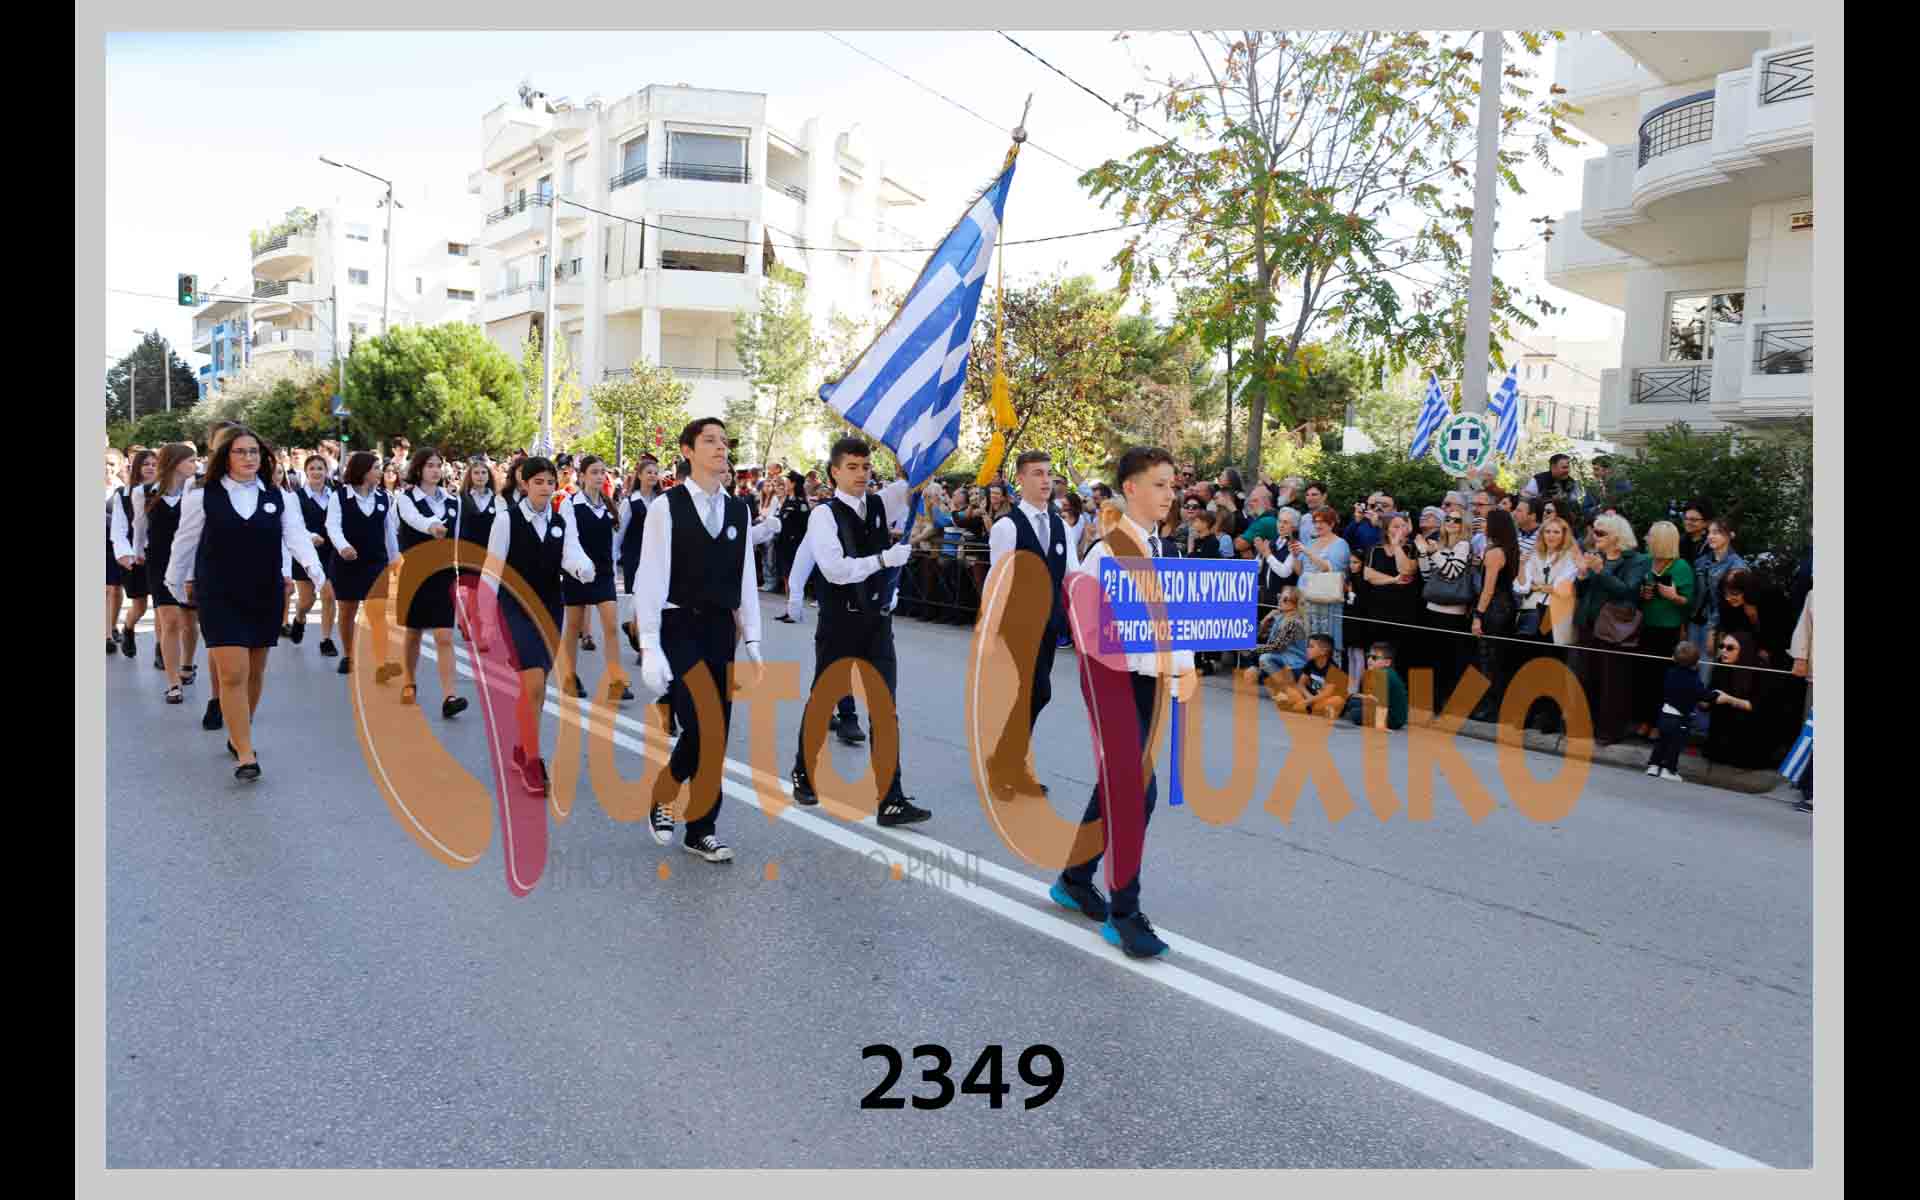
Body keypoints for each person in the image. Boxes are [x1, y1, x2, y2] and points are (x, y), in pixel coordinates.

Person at [1051, 445, 1197, 960]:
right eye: (1160, 484)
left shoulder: (1167, 549)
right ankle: (1124, 912)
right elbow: (1085, 625)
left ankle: (1074, 878)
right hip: (1110, 679)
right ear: (1131, 489)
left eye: (1173, 485)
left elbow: (1178, 617)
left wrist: (1182, 665)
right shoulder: (1107, 550)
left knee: (1118, 783)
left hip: (1149, 681)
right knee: (1136, 789)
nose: (1170, 494)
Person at [634, 419, 766, 861]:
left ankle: (701, 829)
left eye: (724, 441)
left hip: (719, 629)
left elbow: (746, 577)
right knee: (702, 721)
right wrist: (649, 644)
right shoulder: (666, 507)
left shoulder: (738, 510)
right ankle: (667, 793)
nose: (720, 448)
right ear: (687, 451)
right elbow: (650, 576)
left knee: (718, 731)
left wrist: (753, 639)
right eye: (709, 441)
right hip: (679, 625)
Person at [165, 426, 330, 780]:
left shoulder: (279, 497)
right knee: (233, 672)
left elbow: (296, 537)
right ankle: (245, 753)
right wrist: (174, 582)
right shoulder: (201, 496)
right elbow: (184, 543)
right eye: (240, 451)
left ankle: (240, 730)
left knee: (255, 672)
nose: (249, 457)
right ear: (225, 456)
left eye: (254, 451)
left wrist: (316, 572)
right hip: (219, 593)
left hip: (264, 592)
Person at [785, 437, 929, 826]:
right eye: (852, 467)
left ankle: (891, 798)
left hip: (877, 624)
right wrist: (884, 560)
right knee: (823, 700)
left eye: (866, 467)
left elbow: (917, 482)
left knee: (885, 710)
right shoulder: (824, 515)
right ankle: (803, 770)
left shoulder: (879, 503)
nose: (861, 474)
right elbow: (834, 570)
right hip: (840, 622)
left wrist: (925, 445)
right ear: (834, 472)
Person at [482, 456, 595, 798]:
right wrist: (485, 620)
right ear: (524, 484)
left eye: (550, 482)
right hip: (515, 607)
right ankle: (532, 760)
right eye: (539, 482)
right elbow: (491, 569)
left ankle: (521, 747)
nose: (546, 488)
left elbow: (571, 554)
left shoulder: (561, 520)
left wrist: (582, 568)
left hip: (549, 608)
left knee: (537, 687)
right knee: (531, 682)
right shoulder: (507, 520)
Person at [985, 449, 1078, 799]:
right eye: (1037, 473)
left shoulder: (1060, 525)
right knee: (1035, 691)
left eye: (1048, 473)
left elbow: (1073, 574)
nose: (1046, 480)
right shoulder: (1007, 527)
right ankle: (1003, 765)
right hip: (1016, 625)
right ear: (1021, 479)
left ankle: (1012, 762)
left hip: (1049, 624)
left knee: (1031, 694)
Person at [392, 447, 469, 719]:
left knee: (444, 636)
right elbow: (414, 520)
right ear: (419, 469)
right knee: (413, 632)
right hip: (415, 571)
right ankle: (409, 682)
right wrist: (432, 526)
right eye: (430, 465)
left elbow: (457, 538)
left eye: (438, 465)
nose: (435, 470)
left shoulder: (454, 501)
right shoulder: (405, 498)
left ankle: (450, 696)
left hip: (444, 573)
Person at [554, 455, 631, 704]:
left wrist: (614, 567)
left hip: (604, 575)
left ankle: (616, 681)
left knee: (611, 626)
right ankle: (569, 677)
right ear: (582, 476)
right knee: (573, 627)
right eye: (594, 472)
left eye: (602, 472)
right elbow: (567, 541)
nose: (599, 476)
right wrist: (573, 567)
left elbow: (614, 543)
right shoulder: (570, 504)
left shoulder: (609, 505)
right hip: (577, 574)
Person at [1571, 512, 1649, 745]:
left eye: (1600, 532)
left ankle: (1610, 731)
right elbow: (1581, 592)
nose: (1595, 536)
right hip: (1588, 626)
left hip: (1614, 629)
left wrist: (1600, 571)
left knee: (1612, 683)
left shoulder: (1636, 560)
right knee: (1587, 678)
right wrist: (1582, 576)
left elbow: (1628, 591)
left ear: (1617, 536)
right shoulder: (1597, 556)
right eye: (1594, 531)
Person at [325, 450, 402, 680]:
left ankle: (381, 663)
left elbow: (389, 530)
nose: (380, 472)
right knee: (347, 611)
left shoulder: (384, 497)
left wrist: (395, 558)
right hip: (347, 563)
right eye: (376, 468)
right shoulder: (339, 496)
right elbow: (332, 526)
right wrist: (343, 547)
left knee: (378, 613)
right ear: (363, 470)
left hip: (376, 563)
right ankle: (349, 655)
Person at [133, 443, 200, 703]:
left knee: (189, 620)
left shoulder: (197, 490)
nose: (195, 465)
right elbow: (139, 526)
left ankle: (187, 664)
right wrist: (137, 551)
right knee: (170, 620)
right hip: (159, 562)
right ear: (174, 462)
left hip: (190, 562)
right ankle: (173, 683)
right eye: (190, 460)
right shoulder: (143, 492)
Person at [1630, 521, 1696, 739]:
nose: (1646, 538)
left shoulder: (1681, 567)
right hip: (1646, 626)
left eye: (1650, 535)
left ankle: (1659, 724)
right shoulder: (1646, 561)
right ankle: (1645, 720)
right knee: (1644, 676)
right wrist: (1643, 594)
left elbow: (1689, 602)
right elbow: (1635, 592)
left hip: (1669, 630)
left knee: (1663, 679)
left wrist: (1674, 596)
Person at [1416, 509, 1475, 712]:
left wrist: (1434, 553)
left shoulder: (1463, 545)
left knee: (1448, 661)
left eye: (1456, 520)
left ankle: (1446, 704)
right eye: (1448, 518)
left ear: (1463, 524)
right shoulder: (1439, 545)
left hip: (1453, 613)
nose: (1450, 522)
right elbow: (1426, 575)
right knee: (1431, 659)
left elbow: (1451, 572)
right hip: (1432, 608)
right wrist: (1423, 552)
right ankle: (1430, 703)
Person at [1469, 508, 1522, 723]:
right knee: (1500, 659)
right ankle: (1498, 706)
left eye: (1486, 521)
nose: (1483, 524)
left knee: (1489, 659)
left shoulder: (1494, 552)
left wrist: (1477, 615)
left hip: (1494, 610)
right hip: (1508, 607)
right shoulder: (1511, 549)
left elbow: (1488, 589)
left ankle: (1491, 708)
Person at [111, 449, 161, 664]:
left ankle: (162, 651)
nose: (150, 467)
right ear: (136, 467)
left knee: (162, 608)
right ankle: (129, 628)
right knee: (139, 606)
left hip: (160, 556)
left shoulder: (166, 491)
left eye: (154, 464)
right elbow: (119, 528)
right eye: (145, 464)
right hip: (135, 557)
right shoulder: (123, 494)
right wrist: (126, 554)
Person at [450, 455, 500, 657]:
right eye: (476, 473)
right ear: (470, 476)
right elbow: (455, 526)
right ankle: (479, 636)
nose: (480, 476)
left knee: (488, 593)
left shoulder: (498, 499)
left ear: (489, 476)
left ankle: (463, 621)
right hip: (468, 551)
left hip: (492, 551)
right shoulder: (461, 498)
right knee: (474, 594)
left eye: (483, 472)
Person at [289, 454, 339, 655]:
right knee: (307, 601)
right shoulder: (296, 497)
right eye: (312, 468)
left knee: (329, 595)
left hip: (331, 553)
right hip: (305, 553)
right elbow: (294, 525)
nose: (316, 472)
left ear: (326, 472)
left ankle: (326, 640)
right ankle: (299, 618)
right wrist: (310, 536)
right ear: (306, 472)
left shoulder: (335, 495)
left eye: (320, 468)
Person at [1645, 642, 1715, 781]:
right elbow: (1703, 694)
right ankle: (1668, 770)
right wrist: (1715, 695)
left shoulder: (1670, 672)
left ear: (1674, 658)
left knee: (1661, 742)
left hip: (1665, 714)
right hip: (1680, 718)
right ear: (1696, 663)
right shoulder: (1693, 678)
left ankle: (1653, 766)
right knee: (1674, 745)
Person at [1701, 632, 1767, 768]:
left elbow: (1756, 706)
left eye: (1730, 648)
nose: (1724, 650)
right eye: (1722, 646)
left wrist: (1729, 699)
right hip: (1721, 733)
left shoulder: (1758, 671)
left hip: (1747, 734)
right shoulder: (1720, 667)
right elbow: (1709, 697)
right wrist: (1702, 699)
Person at [616, 455, 661, 653]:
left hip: (657, 559)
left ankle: (637, 633)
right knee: (640, 602)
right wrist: (613, 557)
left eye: (655, 473)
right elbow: (619, 532)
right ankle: (643, 645)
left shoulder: (662, 501)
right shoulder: (630, 502)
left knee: (653, 603)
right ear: (640, 475)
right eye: (649, 472)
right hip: (635, 557)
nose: (653, 476)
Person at [1345, 642, 1409, 731]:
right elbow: (1375, 698)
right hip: (1391, 712)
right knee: (1353, 701)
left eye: (1374, 658)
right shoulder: (1383, 673)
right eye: (1368, 656)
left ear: (1387, 662)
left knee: (1355, 713)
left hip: (1393, 719)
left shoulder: (1383, 675)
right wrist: (1359, 696)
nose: (1369, 660)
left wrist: (1380, 725)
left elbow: (1382, 703)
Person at [1255, 585, 1310, 686]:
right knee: (1253, 671)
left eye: (1285, 599)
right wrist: (1265, 620)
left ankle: (1287, 688)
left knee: (1264, 659)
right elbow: (1262, 637)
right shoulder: (1280, 618)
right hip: (1282, 660)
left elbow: (1277, 647)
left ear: (1295, 604)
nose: (1280, 601)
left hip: (1294, 665)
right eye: (1280, 597)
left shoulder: (1294, 622)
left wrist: (1253, 649)